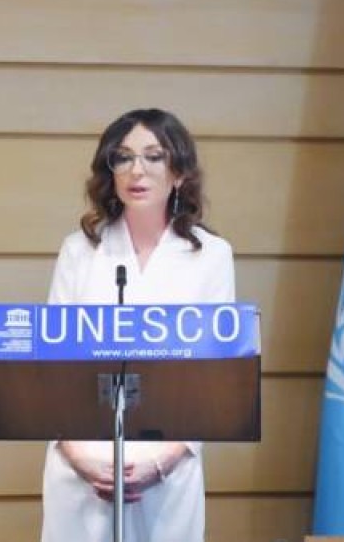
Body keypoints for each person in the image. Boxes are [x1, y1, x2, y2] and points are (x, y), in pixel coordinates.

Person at [40, 108, 235, 542]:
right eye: (123, 157)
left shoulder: (211, 256)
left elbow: (215, 377)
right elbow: (52, 369)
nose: (137, 170)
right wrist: (80, 458)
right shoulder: (79, 251)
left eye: (154, 156)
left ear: (179, 172)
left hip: (166, 466)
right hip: (83, 462)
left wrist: (161, 462)